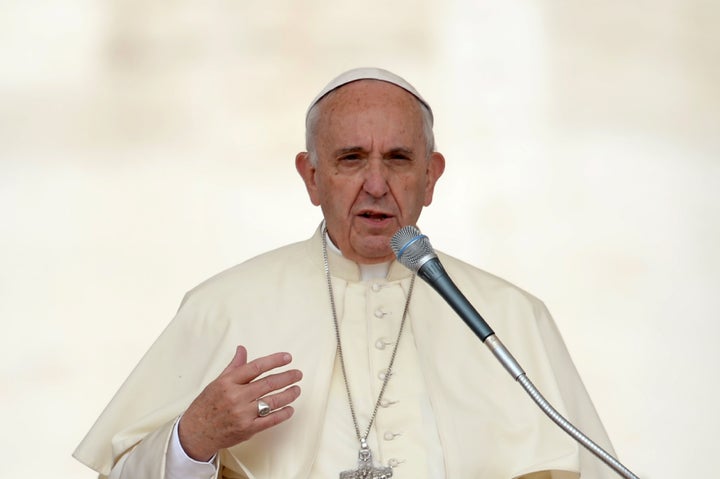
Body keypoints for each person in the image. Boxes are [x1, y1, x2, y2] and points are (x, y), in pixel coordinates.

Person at [74, 67, 616, 478]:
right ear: (311, 177)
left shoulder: (510, 317)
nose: (376, 185)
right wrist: (192, 439)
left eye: (399, 159)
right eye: (351, 158)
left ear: (431, 176)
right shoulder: (223, 306)